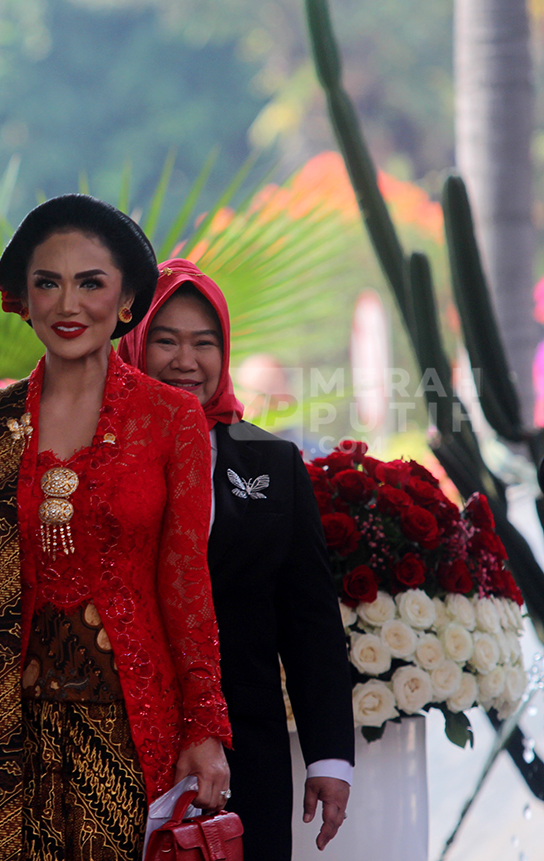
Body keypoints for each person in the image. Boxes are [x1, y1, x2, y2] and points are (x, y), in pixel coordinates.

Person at [0, 195, 231, 861]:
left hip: (128, 726)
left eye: (91, 283)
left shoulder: (172, 419)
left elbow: (186, 584)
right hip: (0, 728)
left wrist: (204, 724)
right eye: (49, 282)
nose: (69, 304)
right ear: (24, 301)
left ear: (127, 302)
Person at [118, 258, 354, 858]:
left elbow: (309, 620)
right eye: (165, 340)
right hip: (119, 741)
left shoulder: (271, 463)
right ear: (135, 346)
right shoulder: (100, 456)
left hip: (248, 748)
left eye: (204, 343)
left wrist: (329, 757)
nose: (185, 360)